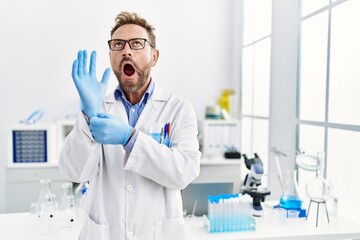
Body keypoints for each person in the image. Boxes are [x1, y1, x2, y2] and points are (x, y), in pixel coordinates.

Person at [59, 11, 201, 240]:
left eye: (136, 43)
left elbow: (183, 172)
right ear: (111, 56)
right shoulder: (97, 108)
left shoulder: (179, 110)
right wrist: (87, 114)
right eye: (118, 44)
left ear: (154, 57)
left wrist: (130, 138)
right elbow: (75, 172)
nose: (126, 50)